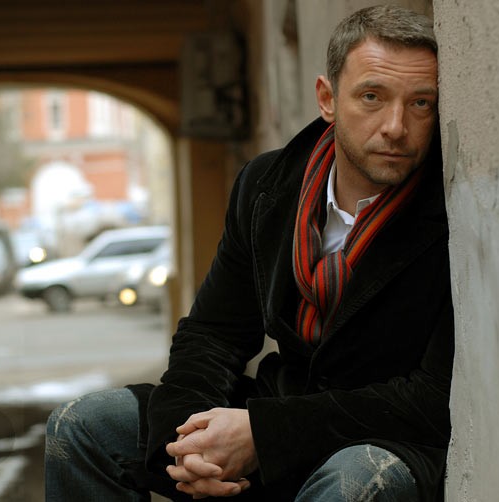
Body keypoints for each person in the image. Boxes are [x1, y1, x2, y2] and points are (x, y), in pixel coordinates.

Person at [45, 4, 453, 501]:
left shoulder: (450, 210)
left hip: (380, 437)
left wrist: (263, 434)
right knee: (83, 425)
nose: (395, 126)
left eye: (421, 104)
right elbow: (214, 335)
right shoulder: (267, 187)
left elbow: (432, 397)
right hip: (279, 406)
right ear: (327, 99)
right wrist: (190, 446)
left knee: (354, 481)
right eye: (372, 96)